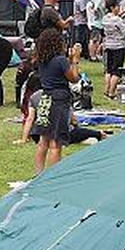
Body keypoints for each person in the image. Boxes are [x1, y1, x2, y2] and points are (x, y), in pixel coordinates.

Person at [29, 25, 78, 173]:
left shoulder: (42, 60)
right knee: (56, 143)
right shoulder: (60, 60)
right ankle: (53, 176)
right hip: (59, 100)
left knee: (43, 141)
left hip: (45, 98)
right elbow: (74, 78)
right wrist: (75, 60)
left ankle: (38, 174)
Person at [101, 0, 125, 97]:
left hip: (109, 46)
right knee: (117, 71)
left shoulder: (105, 18)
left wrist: (124, 12)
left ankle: (106, 90)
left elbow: (115, 20)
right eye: (117, 6)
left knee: (109, 70)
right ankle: (111, 92)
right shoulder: (118, 20)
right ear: (112, 8)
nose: (119, 8)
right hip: (119, 47)